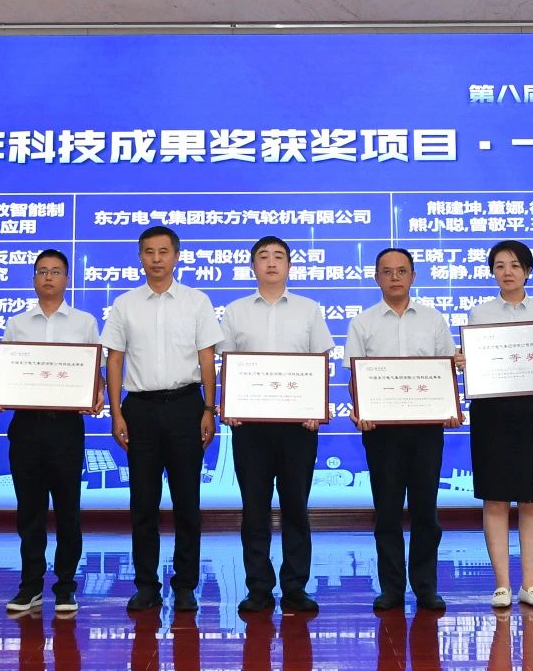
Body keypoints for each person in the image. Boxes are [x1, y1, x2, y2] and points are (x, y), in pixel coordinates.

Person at [101, 225, 223, 613]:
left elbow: (207, 358)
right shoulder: (125, 304)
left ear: (176, 256)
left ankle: (185, 586)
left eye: (163, 252)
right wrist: (116, 412)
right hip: (140, 409)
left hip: (187, 406)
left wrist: (209, 408)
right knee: (143, 503)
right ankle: (146, 585)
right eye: (149, 252)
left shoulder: (196, 301)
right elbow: (114, 359)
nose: (156, 259)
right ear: (140, 257)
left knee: (188, 502)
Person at [455, 239, 533, 609]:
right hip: (492, 412)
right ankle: (502, 585)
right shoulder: (479, 314)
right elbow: (476, 363)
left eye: (515, 265)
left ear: (527, 271)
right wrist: (464, 361)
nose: (507, 272)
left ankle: (530, 584)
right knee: (495, 497)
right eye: (500, 266)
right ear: (492, 272)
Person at [0, 249, 102, 615]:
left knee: (68, 510)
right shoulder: (18, 324)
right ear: (34, 279)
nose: (48, 277)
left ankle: (66, 586)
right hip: (27, 426)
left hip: (66, 427)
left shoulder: (84, 322)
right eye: (42, 271)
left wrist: (96, 394)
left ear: (67, 279)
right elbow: (7, 372)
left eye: (55, 271)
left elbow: (94, 371)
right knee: (30, 511)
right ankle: (30, 585)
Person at [219, 235, 333, 615]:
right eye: (263, 256)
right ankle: (258, 589)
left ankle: (295, 588)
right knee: (254, 509)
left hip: (298, 426)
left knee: (296, 507)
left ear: (289, 265)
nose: (271, 262)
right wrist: (228, 404)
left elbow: (320, 363)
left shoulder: (308, 310)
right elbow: (227, 364)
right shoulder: (235, 311)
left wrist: (316, 407)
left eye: (279, 256)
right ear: (252, 265)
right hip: (250, 427)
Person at [345, 247, 462, 613]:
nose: (394, 277)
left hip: (426, 430)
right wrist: (362, 410)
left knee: (426, 510)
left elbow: (447, 371)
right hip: (381, 431)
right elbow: (355, 376)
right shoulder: (362, 323)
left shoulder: (433, 320)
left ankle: (426, 587)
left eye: (401, 271)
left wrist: (449, 408)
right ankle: (391, 588)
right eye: (387, 271)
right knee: (387, 511)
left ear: (413, 276)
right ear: (376, 277)